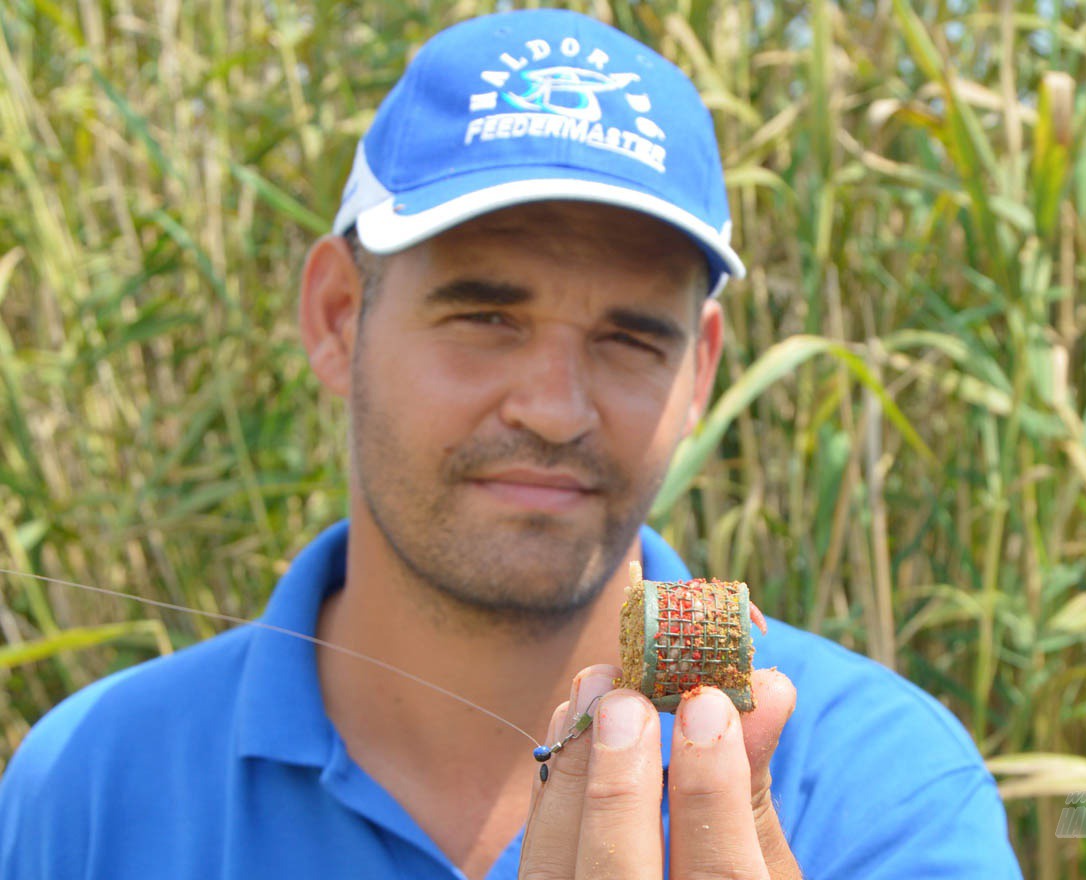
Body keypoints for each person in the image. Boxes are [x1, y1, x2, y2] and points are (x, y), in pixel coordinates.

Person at [0, 9, 1021, 879]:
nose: (552, 408)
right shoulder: (89, 783)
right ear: (335, 316)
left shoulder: (876, 784)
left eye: (630, 336)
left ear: (699, 369)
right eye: (484, 316)